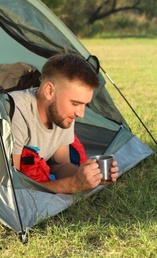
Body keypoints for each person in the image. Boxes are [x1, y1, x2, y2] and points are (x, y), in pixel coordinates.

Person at [10, 52, 119, 194]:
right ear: (49, 91)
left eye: (84, 105)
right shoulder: (16, 112)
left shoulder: (62, 115)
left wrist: (88, 176)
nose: (81, 113)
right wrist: (72, 185)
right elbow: (14, 188)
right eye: (75, 103)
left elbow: (60, 165)